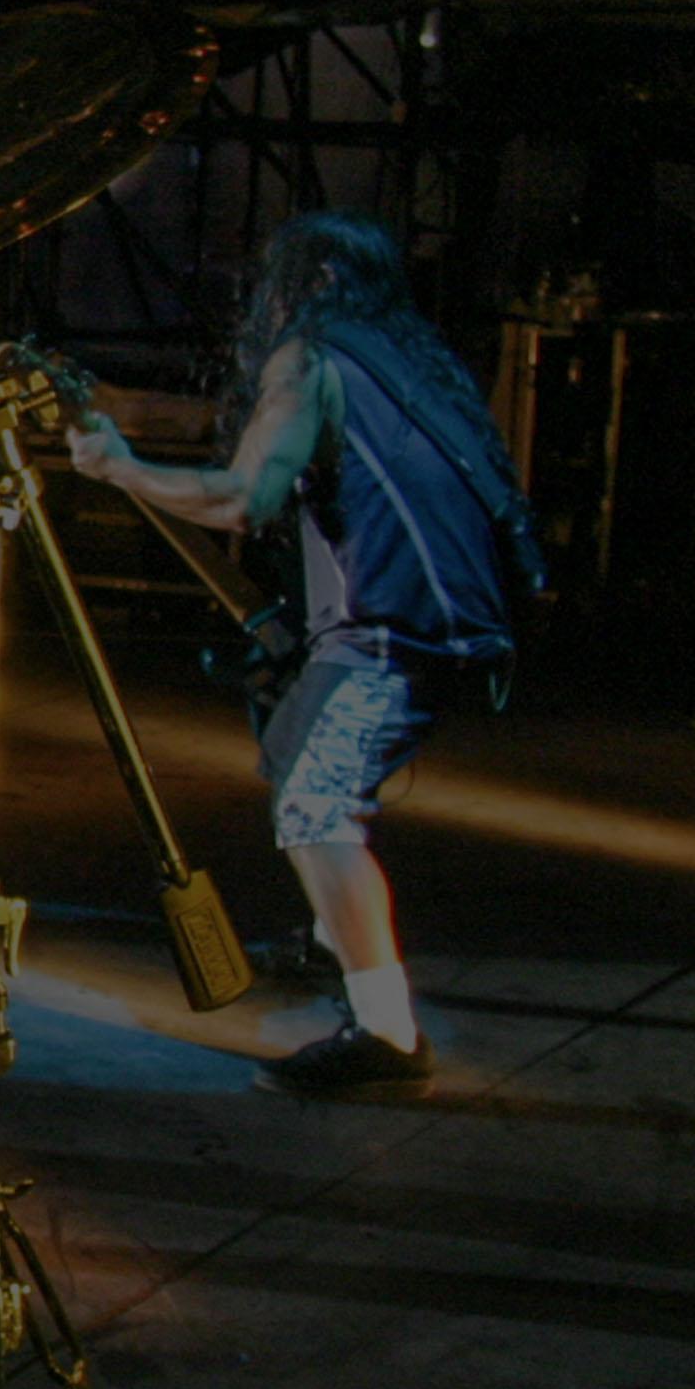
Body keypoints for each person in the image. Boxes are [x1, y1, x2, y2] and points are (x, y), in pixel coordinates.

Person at [69, 210, 527, 1099]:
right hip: (446, 629)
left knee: (317, 808)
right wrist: (118, 409)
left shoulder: (310, 357)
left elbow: (242, 496)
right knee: (291, 741)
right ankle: (336, 931)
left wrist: (120, 468)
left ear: (300, 287)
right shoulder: (400, 360)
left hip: (390, 639)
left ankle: (387, 1036)